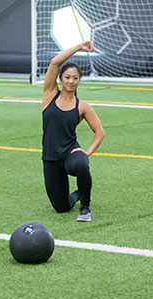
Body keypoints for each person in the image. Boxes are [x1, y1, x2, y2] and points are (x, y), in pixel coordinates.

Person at [41, 41, 105, 222]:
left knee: (81, 164)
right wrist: (79, 47)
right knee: (61, 207)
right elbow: (54, 62)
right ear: (61, 78)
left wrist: (87, 151)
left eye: (75, 78)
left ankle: (85, 207)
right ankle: (78, 193)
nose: (71, 81)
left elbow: (99, 131)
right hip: (51, 157)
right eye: (67, 77)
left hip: (70, 154)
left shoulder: (82, 106)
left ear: (79, 80)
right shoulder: (49, 95)